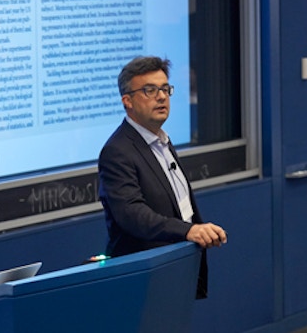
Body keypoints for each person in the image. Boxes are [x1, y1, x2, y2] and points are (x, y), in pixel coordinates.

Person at [97, 56, 227, 298]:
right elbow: (131, 214)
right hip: (144, 275)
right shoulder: (117, 151)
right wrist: (187, 230)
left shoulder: (162, 141)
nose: (161, 97)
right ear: (127, 101)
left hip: (177, 263)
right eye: (150, 90)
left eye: (165, 89)